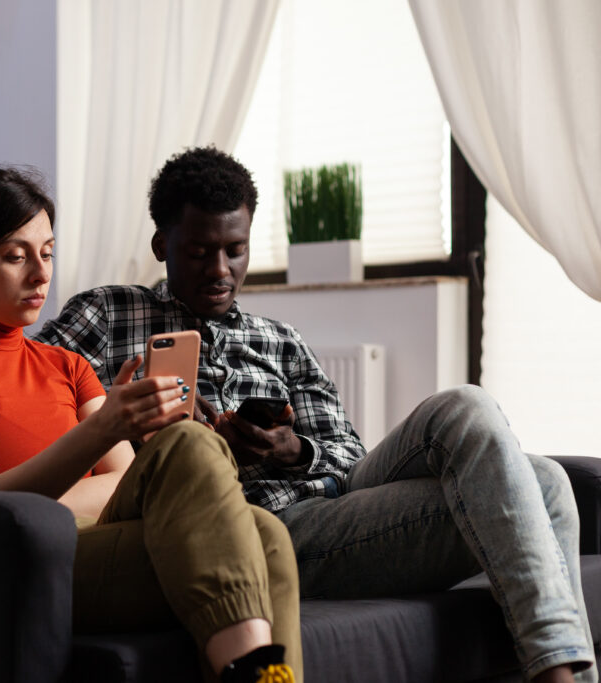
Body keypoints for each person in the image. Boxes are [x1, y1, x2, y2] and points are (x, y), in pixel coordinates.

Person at [35, 146, 597, 683]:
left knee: (485, 422)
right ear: (162, 245)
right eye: (200, 252)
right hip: (257, 527)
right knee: (543, 486)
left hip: (334, 505)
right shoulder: (108, 312)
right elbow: (29, 398)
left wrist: (292, 450)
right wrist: (130, 414)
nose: (221, 270)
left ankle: (561, 667)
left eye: (236, 249)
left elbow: (351, 456)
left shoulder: (280, 339)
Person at [0, 166, 302, 683]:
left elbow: (122, 488)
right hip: (13, 562)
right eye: (15, 256)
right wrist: (102, 430)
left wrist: (82, 471)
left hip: (95, 539)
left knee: (258, 523)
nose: (41, 274)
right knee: (215, 482)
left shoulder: (68, 366)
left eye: (47, 252)